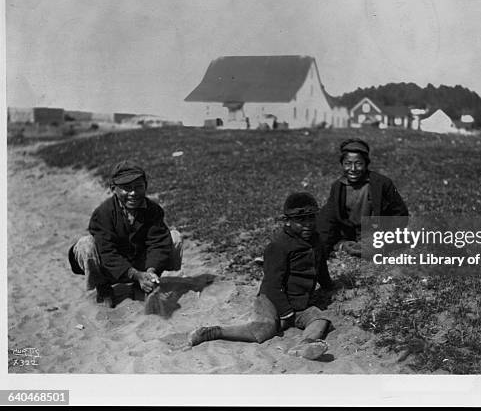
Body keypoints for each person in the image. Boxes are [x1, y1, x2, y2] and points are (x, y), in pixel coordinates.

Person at [188, 192, 332, 361]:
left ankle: (305, 344)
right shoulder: (279, 245)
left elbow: (321, 266)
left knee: (320, 319)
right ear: (287, 221)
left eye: (311, 218)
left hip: (300, 303)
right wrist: (286, 313)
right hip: (271, 300)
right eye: (301, 221)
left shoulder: (316, 240)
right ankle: (213, 332)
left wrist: (328, 286)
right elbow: (272, 284)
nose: (308, 224)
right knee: (263, 330)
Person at [68, 160, 183, 308]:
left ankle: (146, 283)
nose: (133, 193)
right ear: (113, 188)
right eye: (126, 188)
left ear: (146, 186)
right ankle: (103, 287)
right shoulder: (103, 213)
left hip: (139, 261)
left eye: (138, 187)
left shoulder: (153, 210)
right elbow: (107, 253)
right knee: (86, 245)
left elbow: (158, 243)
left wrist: (150, 271)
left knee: (173, 238)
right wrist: (135, 274)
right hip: (109, 266)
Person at [317, 138, 408, 259]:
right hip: (349, 239)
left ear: (366, 164)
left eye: (358, 164)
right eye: (347, 164)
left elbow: (400, 215)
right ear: (342, 164)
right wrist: (324, 251)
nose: (353, 169)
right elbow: (327, 221)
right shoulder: (338, 187)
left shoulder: (381, 184)